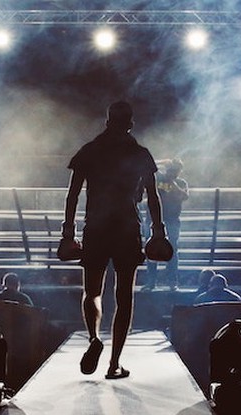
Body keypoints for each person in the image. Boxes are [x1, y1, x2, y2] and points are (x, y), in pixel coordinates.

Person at [62, 100, 166, 380]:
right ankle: (114, 364)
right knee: (124, 298)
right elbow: (153, 197)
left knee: (92, 292)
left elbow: (72, 195)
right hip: (126, 228)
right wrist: (159, 231)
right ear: (130, 123)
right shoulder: (140, 154)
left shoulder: (90, 151)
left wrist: (67, 233)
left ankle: (94, 337)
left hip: (95, 228)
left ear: (107, 121)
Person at [143, 158, 189, 291]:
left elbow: (184, 196)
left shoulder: (180, 183)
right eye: (171, 169)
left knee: (173, 250)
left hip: (172, 220)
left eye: (176, 170)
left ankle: (172, 282)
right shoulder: (158, 179)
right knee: (151, 250)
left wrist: (172, 181)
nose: (173, 172)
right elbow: (148, 166)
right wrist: (164, 162)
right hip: (153, 220)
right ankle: (151, 282)